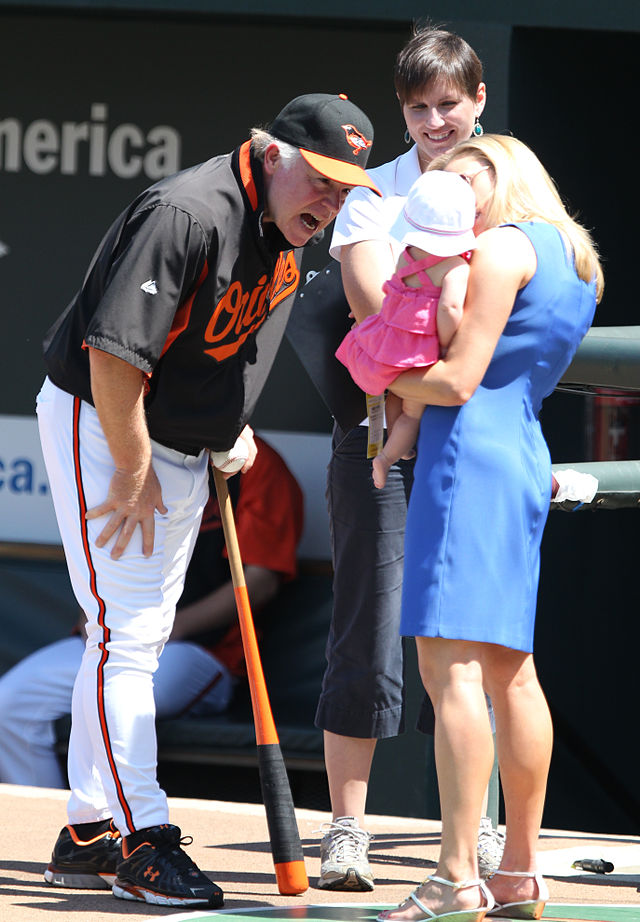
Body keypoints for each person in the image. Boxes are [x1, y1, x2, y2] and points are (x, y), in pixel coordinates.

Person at [35, 92, 378, 909]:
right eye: (320, 180)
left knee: (131, 640)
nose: (328, 203)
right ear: (271, 152)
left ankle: (88, 833)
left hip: (182, 438)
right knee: (127, 639)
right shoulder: (187, 211)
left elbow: (236, 357)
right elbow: (114, 356)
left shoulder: (288, 243)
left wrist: (228, 435)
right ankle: (142, 839)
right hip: (107, 420)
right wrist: (129, 468)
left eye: (345, 189)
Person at [377, 134, 603, 922]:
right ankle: (517, 873)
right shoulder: (574, 256)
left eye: (463, 173)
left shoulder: (505, 246)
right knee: (512, 672)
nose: (451, 188)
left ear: (500, 171)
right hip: (520, 455)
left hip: (467, 457)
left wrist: (374, 369)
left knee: (453, 676)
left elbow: (456, 379)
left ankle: (452, 877)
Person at [315, 26, 496, 891]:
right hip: (374, 445)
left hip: (474, 448)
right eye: (419, 108)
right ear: (401, 110)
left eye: (449, 106)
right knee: (367, 626)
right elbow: (370, 307)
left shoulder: (509, 195)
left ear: (478, 102)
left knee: (472, 643)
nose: (434, 123)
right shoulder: (373, 195)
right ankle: (347, 831)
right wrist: (452, 343)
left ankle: (478, 831)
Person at [0, 436, 303, 792]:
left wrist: (168, 628)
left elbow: (260, 581)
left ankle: (119, 823)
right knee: (10, 702)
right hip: (115, 633)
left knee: (121, 699)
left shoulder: (254, 463)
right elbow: (104, 548)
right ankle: (58, 823)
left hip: (200, 651)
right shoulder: (131, 453)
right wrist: (93, 610)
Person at [335, 170, 476, 489]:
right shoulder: (456, 267)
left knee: (395, 397)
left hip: (389, 339)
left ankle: (390, 447)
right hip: (417, 347)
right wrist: (445, 344)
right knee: (412, 415)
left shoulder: (407, 256)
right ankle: (389, 457)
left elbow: (393, 292)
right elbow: (450, 309)